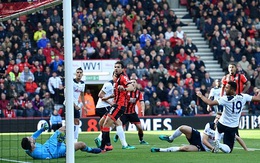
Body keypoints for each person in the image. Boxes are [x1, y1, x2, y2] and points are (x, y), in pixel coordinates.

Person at [196, 81, 260, 153]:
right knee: (228, 149)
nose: (225, 89)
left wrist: (201, 96)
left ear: (232, 90)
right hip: (232, 126)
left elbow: (210, 103)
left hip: (222, 123)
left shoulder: (225, 99)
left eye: (227, 88)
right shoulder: (244, 96)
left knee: (218, 130)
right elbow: (258, 99)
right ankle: (219, 144)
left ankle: (217, 141)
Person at [151, 112, 248, 153]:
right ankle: (170, 138)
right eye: (216, 118)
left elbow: (238, 138)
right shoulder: (209, 125)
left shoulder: (224, 129)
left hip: (201, 147)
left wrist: (246, 149)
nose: (217, 120)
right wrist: (213, 148)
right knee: (182, 128)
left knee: (183, 148)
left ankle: (160, 150)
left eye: (219, 119)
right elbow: (205, 140)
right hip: (198, 137)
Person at [99, 61, 135, 152]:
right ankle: (107, 145)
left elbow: (131, 88)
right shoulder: (116, 80)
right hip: (115, 105)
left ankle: (104, 147)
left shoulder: (123, 78)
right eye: (115, 67)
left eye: (118, 67)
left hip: (119, 106)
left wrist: (125, 88)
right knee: (101, 122)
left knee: (106, 124)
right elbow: (117, 93)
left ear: (122, 69)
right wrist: (107, 97)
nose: (116, 68)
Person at [21, 123, 101, 159]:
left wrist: (42, 129)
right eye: (30, 138)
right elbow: (54, 155)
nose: (31, 137)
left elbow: (34, 136)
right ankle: (90, 150)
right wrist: (59, 142)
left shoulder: (28, 148)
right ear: (31, 144)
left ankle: (71, 139)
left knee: (65, 127)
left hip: (49, 143)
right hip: (57, 150)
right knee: (81, 144)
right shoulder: (39, 154)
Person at [114, 79, 149, 145]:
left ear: (136, 84)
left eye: (134, 82)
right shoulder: (126, 91)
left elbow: (142, 102)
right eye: (131, 82)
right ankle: (118, 136)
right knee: (121, 127)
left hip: (133, 113)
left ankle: (141, 140)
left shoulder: (139, 93)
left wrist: (142, 109)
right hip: (124, 113)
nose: (132, 83)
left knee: (140, 128)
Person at [71, 67, 87, 142]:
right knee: (69, 122)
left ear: (82, 74)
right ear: (75, 73)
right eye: (78, 72)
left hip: (76, 105)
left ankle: (75, 139)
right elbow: (68, 95)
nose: (79, 74)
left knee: (77, 121)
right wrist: (75, 105)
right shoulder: (71, 82)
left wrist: (84, 106)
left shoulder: (83, 84)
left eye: (80, 73)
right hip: (68, 104)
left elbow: (82, 95)